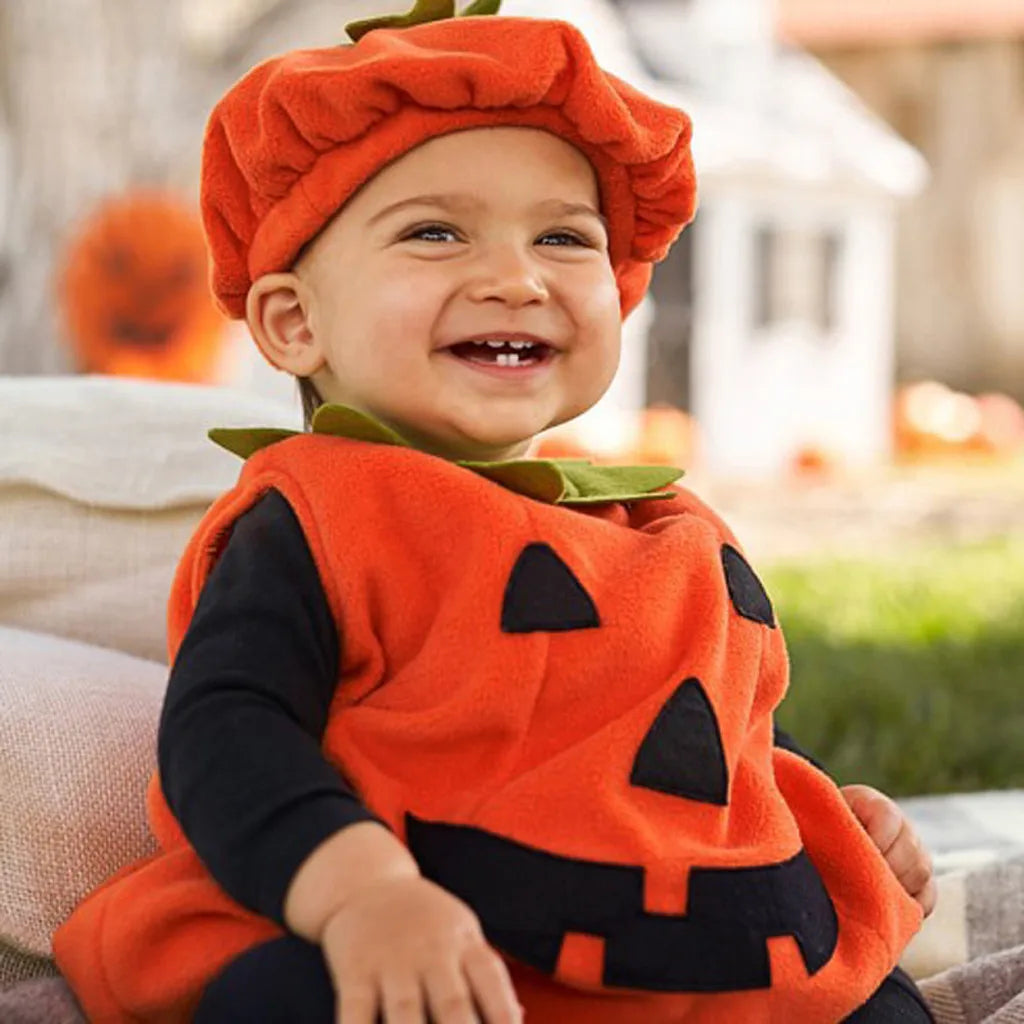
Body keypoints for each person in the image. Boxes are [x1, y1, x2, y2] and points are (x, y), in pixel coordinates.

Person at [54, 6, 937, 1023]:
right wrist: (360, 895)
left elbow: (689, 733)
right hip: (428, 944)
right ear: (295, 321)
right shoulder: (322, 513)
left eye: (562, 236)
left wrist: (817, 805)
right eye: (435, 232)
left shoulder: (668, 529)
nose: (515, 278)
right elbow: (225, 730)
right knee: (291, 995)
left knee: (872, 992)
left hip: (685, 957)